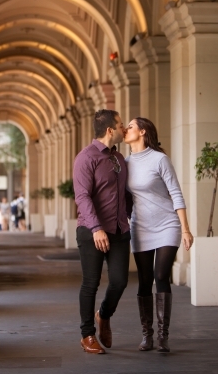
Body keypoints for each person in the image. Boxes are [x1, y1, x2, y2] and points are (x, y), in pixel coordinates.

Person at [124, 117, 194, 353]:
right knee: (144, 280)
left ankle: (163, 336)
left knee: (161, 275)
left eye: (131, 126)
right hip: (140, 227)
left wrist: (185, 229)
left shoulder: (160, 159)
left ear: (142, 132)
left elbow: (176, 193)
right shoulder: (125, 163)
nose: (126, 129)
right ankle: (147, 335)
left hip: (167, 224)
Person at [73, 109, 131, 354]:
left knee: (119, 281)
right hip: (91, 231)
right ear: (110, 130)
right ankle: (87, 334)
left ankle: (104, 315)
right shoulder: (86, 157)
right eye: (120, 125)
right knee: (91, 283)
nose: (124, 128)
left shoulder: (118, 158)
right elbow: (82, 196)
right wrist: (96, 228)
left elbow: (126, 193)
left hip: (119, 230)